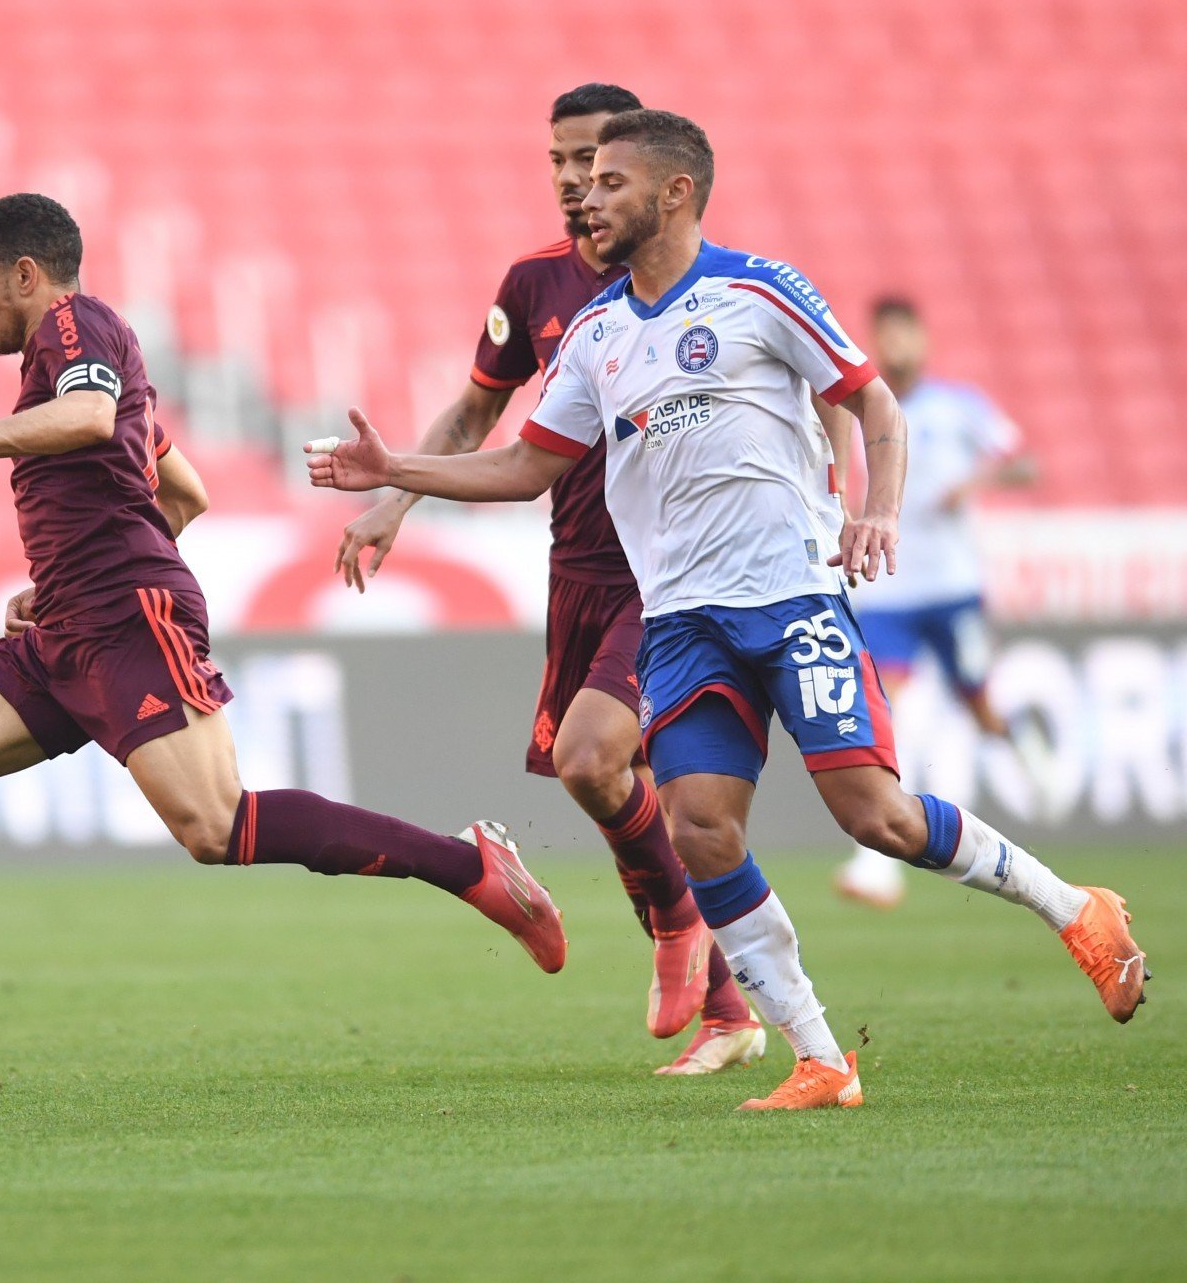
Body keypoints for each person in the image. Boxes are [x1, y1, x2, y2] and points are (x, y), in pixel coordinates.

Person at [307, 111, 1147, 1111]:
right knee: (703, 828)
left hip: (792, 601)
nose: (586, 196)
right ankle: (822, 1060)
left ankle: (1074, 907)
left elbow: (873, 402)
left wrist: (873, 510)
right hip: (681, 624)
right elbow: (529, 463)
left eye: (610, 181)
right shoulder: (595, 335)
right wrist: (396, 471)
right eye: (580, 179)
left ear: (674, 193)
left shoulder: (760, 291)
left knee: (873, 814)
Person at [0, 193, 568, 1091]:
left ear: (24, 274)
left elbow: (88, 423)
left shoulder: (75, 325)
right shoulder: (91, 365)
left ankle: (470, 862)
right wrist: (57, 580)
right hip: (68, 623)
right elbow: (186, 490)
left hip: (127, 617)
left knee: (218, 825)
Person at [333, 82, 768, 1076]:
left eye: (593, 165)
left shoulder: (697, 283)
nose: (574, 184)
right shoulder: (533, 286)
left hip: (670, 570)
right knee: (625, 779)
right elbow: (477, 415)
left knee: (594, 761)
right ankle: (730, 1008)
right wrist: (396, 500)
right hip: (576, 566)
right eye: (560, 164)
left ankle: (675, 931)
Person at [834, 295, 1047, 909]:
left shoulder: (959, 407)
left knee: (978, 704)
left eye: (905, 333)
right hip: (889, 588)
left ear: (921, 338)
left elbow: (1026, 463)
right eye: (885, 334)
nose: (895, 345)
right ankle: (875, 864)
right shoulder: (858, 405)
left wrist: (970, 485)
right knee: (883, 708)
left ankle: (1022, 739)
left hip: (953, 589)